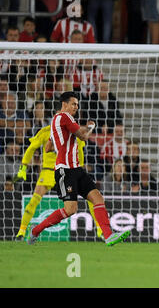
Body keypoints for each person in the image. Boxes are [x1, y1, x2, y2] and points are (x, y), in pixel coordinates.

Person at [27, 91, 130, 246]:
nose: (76, 106)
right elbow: (83, 136)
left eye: (77, 104)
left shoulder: (55, 121)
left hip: (77, 169)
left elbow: (48, 147)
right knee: (70, 209)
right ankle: (36, 230)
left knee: (97, 198)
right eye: (73, 103)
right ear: (64, 104)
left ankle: (108, 235)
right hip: (66, 170)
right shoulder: (65, 117)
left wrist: (63, 143)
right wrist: (90, 127)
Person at [13, 113, 103, 241]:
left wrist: (81, 169)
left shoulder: (73, 132)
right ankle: (21, 232)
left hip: (68, 172)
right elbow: (32, 148)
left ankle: (100, 229)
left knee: (90, 197)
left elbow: (80, 151)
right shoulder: (46, 131)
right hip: (49, 172)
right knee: (34, 200)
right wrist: (23, 167)